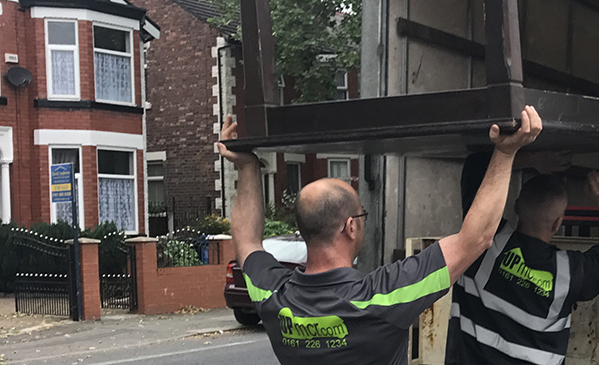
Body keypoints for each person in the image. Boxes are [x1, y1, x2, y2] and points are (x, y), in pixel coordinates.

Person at [217, 106, 544, 365]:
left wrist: (247, 168)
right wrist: (504, 154)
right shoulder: (380, 298)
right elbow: (475, 240)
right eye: (362, 214)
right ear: (350, 226)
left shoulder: (274, 297)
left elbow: (246, 240)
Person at [444, 171, 599, 364]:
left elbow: (476, 171)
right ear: (558, 223)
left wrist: (530, 158)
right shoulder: (568, 272)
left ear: (516, 206)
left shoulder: (484, 241)